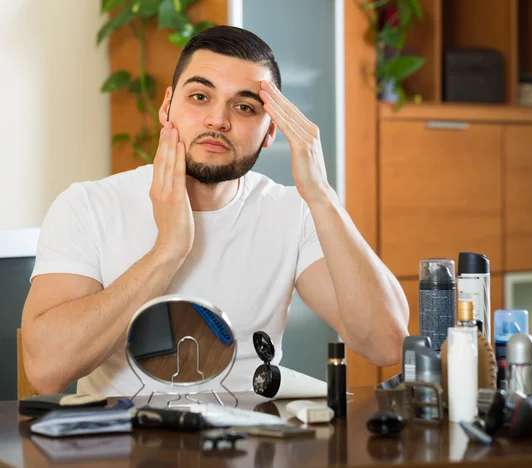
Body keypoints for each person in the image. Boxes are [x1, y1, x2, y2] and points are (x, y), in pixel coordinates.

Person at [21, 25, 409, 396]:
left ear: (270, 131)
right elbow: (46, 370)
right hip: (121, 449)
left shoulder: (295, 212)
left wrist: (321, 195)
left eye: (244, 107)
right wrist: (167, 251)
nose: (218, 120)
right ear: (167, 105)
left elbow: (387, 344)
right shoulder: (88, 206)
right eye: (200, 97)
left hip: (254, 448)